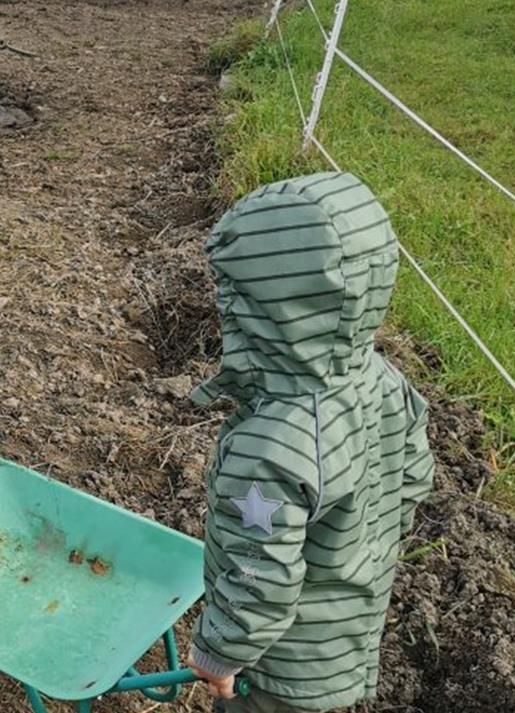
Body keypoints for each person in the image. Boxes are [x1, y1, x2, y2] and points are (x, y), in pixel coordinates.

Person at [183, 172, 436, 712]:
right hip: (348, 630)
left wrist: (220, 653)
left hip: (281, 667)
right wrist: (359, 549)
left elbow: (260, 570)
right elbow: (412, 478)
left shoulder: (271, 444)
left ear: (266, 307)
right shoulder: (380, 380)